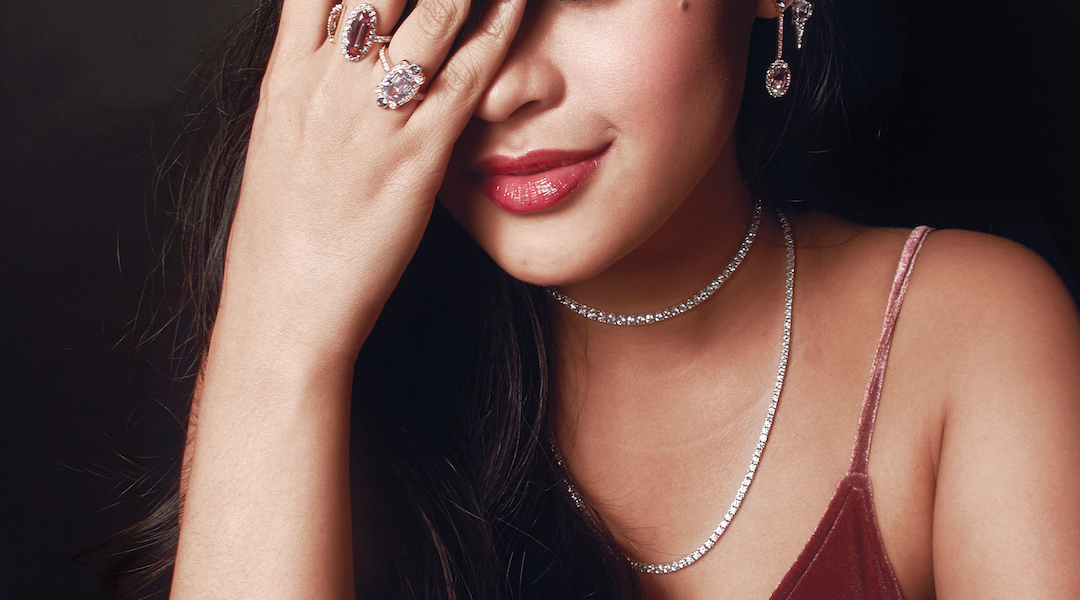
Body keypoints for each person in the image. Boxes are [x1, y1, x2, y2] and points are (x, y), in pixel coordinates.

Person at [112, 0, 1080, 597]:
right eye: (455, 5)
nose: (508, 89)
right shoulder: (337, 378)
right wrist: (279, 331)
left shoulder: (964, 339)